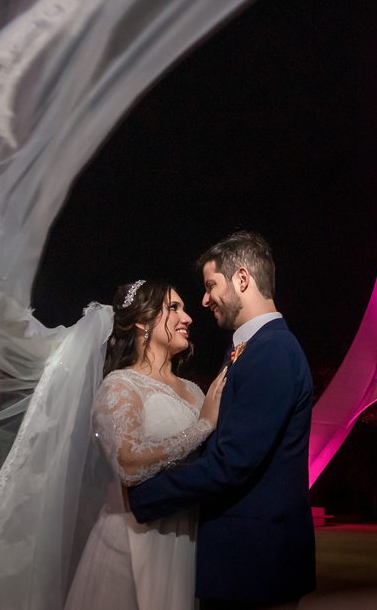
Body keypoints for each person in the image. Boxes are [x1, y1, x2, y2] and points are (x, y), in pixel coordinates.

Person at [129, 232, 316, 610]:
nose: (204, 299)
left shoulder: (273, 351)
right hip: (239, 563)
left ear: (242, 279)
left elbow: (231, 462)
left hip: (255, 565)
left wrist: (142, 496)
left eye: (211, 285)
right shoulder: (246, 349)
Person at [64, 278, 227, 610]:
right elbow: (128, 463)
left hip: (185, 538)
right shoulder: (121, 384)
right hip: (131, 542)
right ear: (142, 321)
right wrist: (204, 426)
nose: (188, 318)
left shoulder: (196, 391)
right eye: (173, 308)